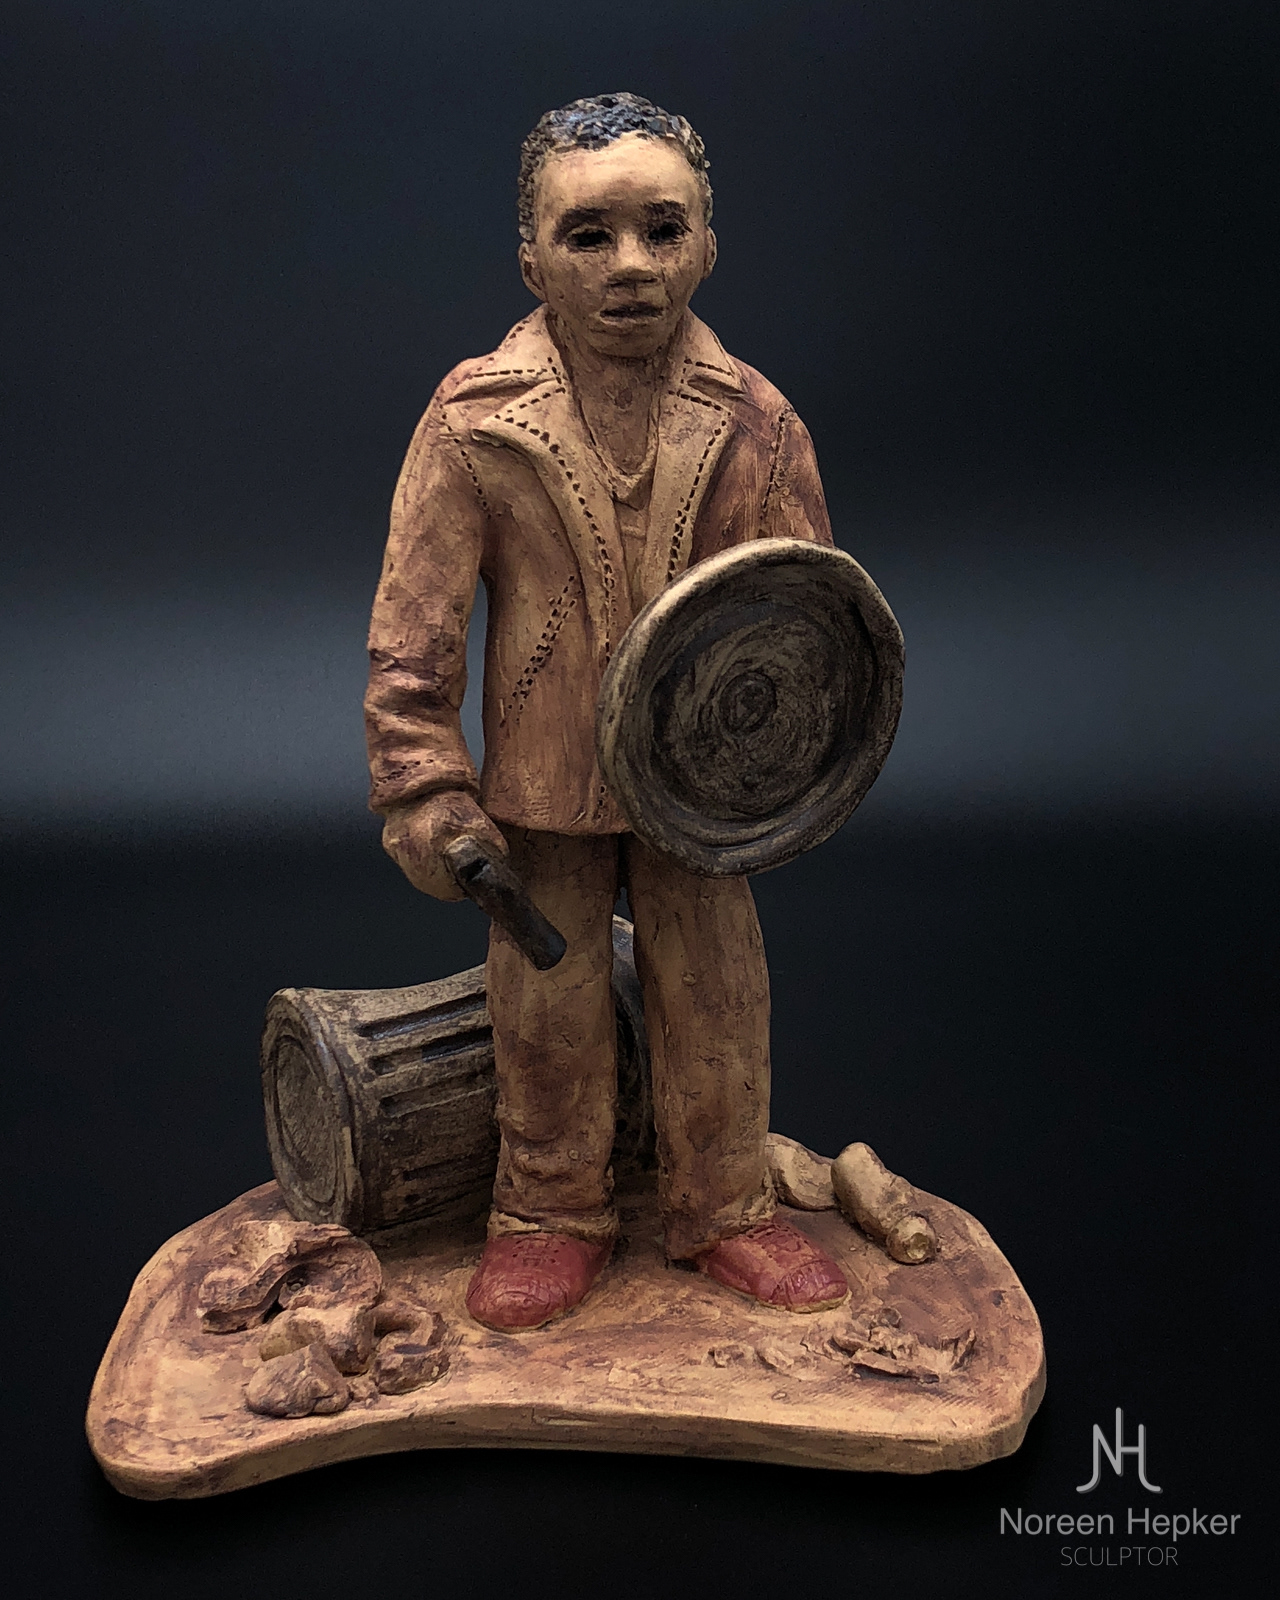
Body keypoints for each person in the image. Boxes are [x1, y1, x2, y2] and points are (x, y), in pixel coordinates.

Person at [365, 93, 848, 1332]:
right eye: (587, 234)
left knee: (717, 989)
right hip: (545, 787)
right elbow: (413, 635)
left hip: (701, 793)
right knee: (548, 1003)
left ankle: (725, 1202)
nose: (629, 263)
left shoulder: (758, 421)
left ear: (707, 246)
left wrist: (786, 772)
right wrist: (426, 787)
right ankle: (545, 1208)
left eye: (660, 228)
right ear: (530, 259)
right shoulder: (474, 420)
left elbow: (812, 623)